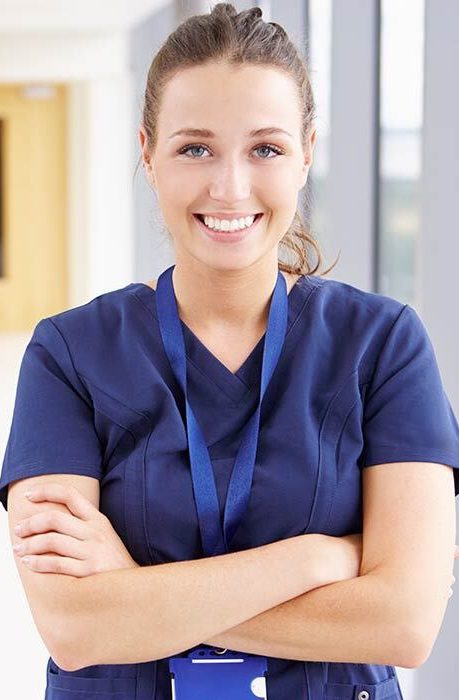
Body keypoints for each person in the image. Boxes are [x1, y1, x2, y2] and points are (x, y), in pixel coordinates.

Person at [1, 3, 459, 699]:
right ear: (147, 153)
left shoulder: (383, 345)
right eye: (195, 148)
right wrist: (317, 559)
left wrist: (137, 597)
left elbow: (402, 623)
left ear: (306, 153)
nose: (230, 187)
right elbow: (75, 626)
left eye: (265, 149)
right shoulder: (69, 353)